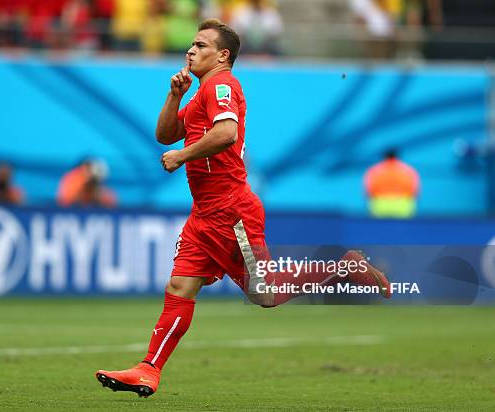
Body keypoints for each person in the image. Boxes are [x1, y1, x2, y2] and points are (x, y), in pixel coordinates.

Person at [95, 18, 391, 398]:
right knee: (180, 286)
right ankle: (148, 369)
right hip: (204, 213)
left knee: (264, 294)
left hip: (231, 210)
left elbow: (226, 133)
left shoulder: (222, 84)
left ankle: (343, 266)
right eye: (191, 44)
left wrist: (183, 155)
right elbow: (165, 135)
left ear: (222, 56)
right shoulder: (202, 92)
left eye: (201, 45)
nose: (191, 50)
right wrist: (174, 96)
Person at [364, 149, 420, 218]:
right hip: (403, 207)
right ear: (397, 157)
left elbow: (368, 191)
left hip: (380, 206)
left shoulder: (374, 170)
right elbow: (415, 192)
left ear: (384, 157)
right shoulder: (409, 170)